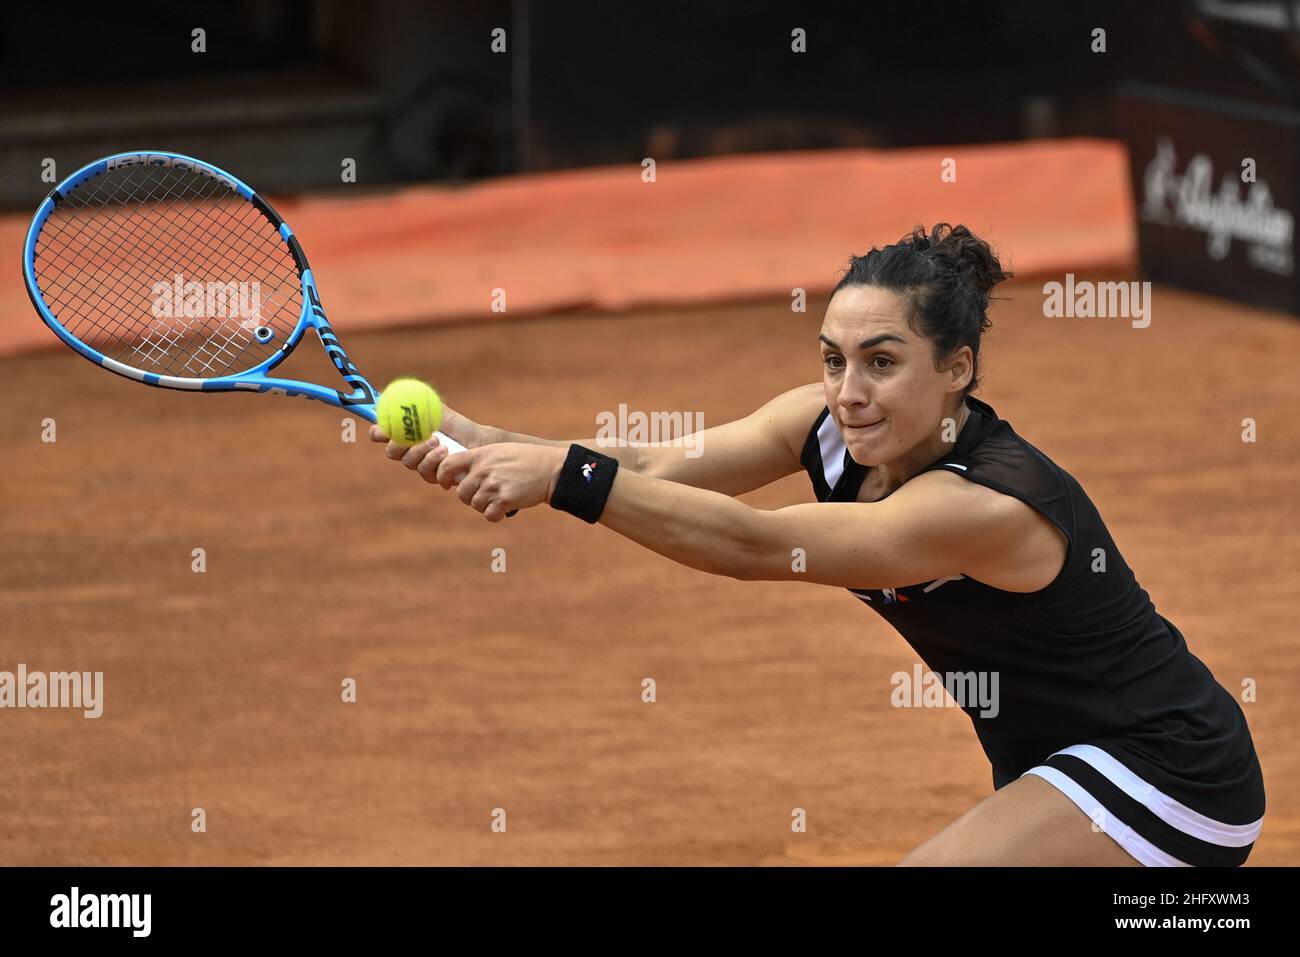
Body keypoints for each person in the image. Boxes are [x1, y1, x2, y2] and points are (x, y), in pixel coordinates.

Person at [372, 223, 1265, 866]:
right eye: (833, 359)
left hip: (1170, 775)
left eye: (882, 361)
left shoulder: (984, 503)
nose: (848, 390)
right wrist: (477, 435)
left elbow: (757, 544)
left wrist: (563, 477)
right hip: (1052, 767)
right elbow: (655, 462)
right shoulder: (827, 425)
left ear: (956, 369)